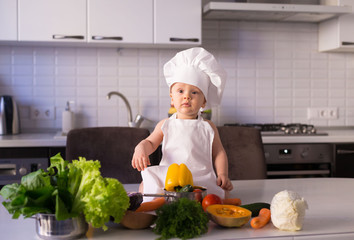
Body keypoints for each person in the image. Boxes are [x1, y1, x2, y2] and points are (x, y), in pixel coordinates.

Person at [131, 47, 233, 198]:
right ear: (172, 98)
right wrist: (140, 149)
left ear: (204, 101)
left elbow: (218, 153)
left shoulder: (208, 127)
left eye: (194, 92)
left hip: (200, 178)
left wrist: (223, 174)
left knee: (222, 193)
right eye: (180, 91)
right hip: (170, 177)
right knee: (146, 185)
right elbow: (150, 143)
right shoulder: (165, 124)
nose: (187, 96)